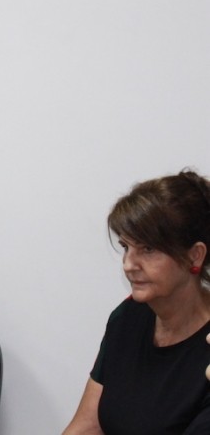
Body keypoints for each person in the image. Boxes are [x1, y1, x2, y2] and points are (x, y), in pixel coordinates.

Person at [63, 169, 210, 435]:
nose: (129, 264)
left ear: (195, 255)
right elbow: (88, 425)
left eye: (148, 249)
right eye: (125, 247)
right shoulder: (128, 316)